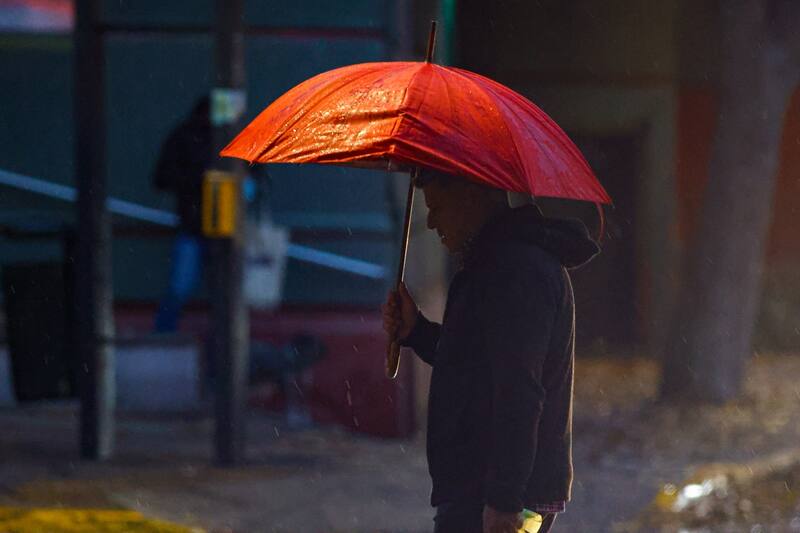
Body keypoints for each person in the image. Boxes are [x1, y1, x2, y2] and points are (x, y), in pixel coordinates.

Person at [382, 169, 599, 533]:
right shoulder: (493, 265)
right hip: (478, 487)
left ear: (471, 197)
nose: (432, 222)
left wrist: (503, 502)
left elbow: (519, 392)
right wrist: (416, 331)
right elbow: (474, 362)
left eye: (437, 206)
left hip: (498, 497)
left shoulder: (518, 272)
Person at [152, 96, 212, 332]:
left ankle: (219, 344)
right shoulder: (186, 137)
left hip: (216, 227)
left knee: (223, 292)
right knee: (180, 288)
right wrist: (198, 181)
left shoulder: (229, 136)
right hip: (194, 225)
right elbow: (162, 178)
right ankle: (163, 336)